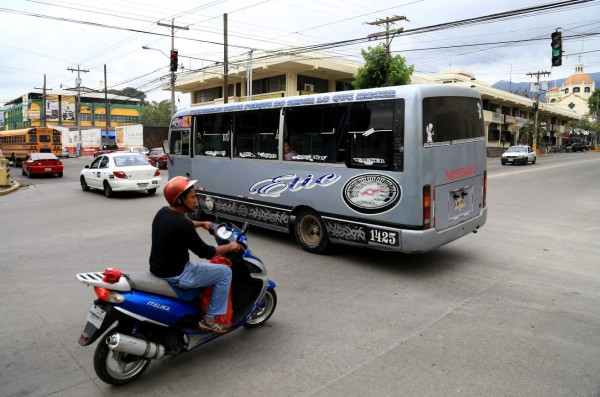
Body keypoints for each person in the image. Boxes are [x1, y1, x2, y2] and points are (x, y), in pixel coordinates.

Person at [149, 176, 243, 333]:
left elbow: (184, 224)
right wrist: (230, 246)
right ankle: (210, 319)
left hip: (159, 268)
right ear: (180, 200)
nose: (196, 201)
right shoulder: (183, 224)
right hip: (178, 274)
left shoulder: (163, 213)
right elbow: (206, 252)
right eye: (192, 197)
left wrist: (202, 224)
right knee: (225, 272)